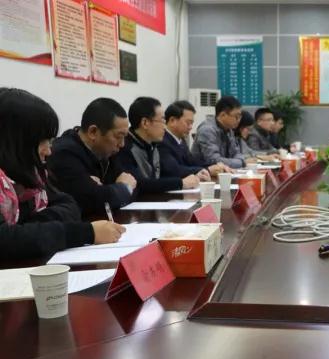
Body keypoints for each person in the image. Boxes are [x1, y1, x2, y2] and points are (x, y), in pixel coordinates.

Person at [0, 88, 124, 260]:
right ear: (13, 140)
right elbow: (5, 241)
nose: (49, 151)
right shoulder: (65, 152)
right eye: (41, 141)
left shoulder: (31, 173)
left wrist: (29, 226)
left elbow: (70, 205)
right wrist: (86, 233)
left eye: (49, 141)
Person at [47, 98, 136, 215]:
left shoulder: (107, 152)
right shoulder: (63, 153)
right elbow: (92, 201)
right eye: (118, 136)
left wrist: (112, 190)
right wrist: (124, 188)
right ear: (93, 132)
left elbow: (133, 183)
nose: (122, 144)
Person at [114, 97, 200, 193]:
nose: (165, 127)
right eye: (163, 121)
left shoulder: (153, 145)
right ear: (145, 123)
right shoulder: (124, 147)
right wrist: (181, 183)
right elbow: (139, 184)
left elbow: (162, 177)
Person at [158, 100, 230, 180]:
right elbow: (174, 170)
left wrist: (215, 166)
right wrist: (208, 170)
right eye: (188, 123)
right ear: (172, 121)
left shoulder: (180, 140)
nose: (190, 127)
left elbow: (192, 162)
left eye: (192, 123)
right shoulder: (161, 141)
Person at [191, 95, 246, 169]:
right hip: (203, 173)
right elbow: (214, 160)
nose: (239, 120)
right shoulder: (207, 130)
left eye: (240, 117)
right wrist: (241, 162)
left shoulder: (229, 129)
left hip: (224, 172)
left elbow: (237, 153)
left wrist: (240, 161)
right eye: (236, 117)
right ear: (223, 115)